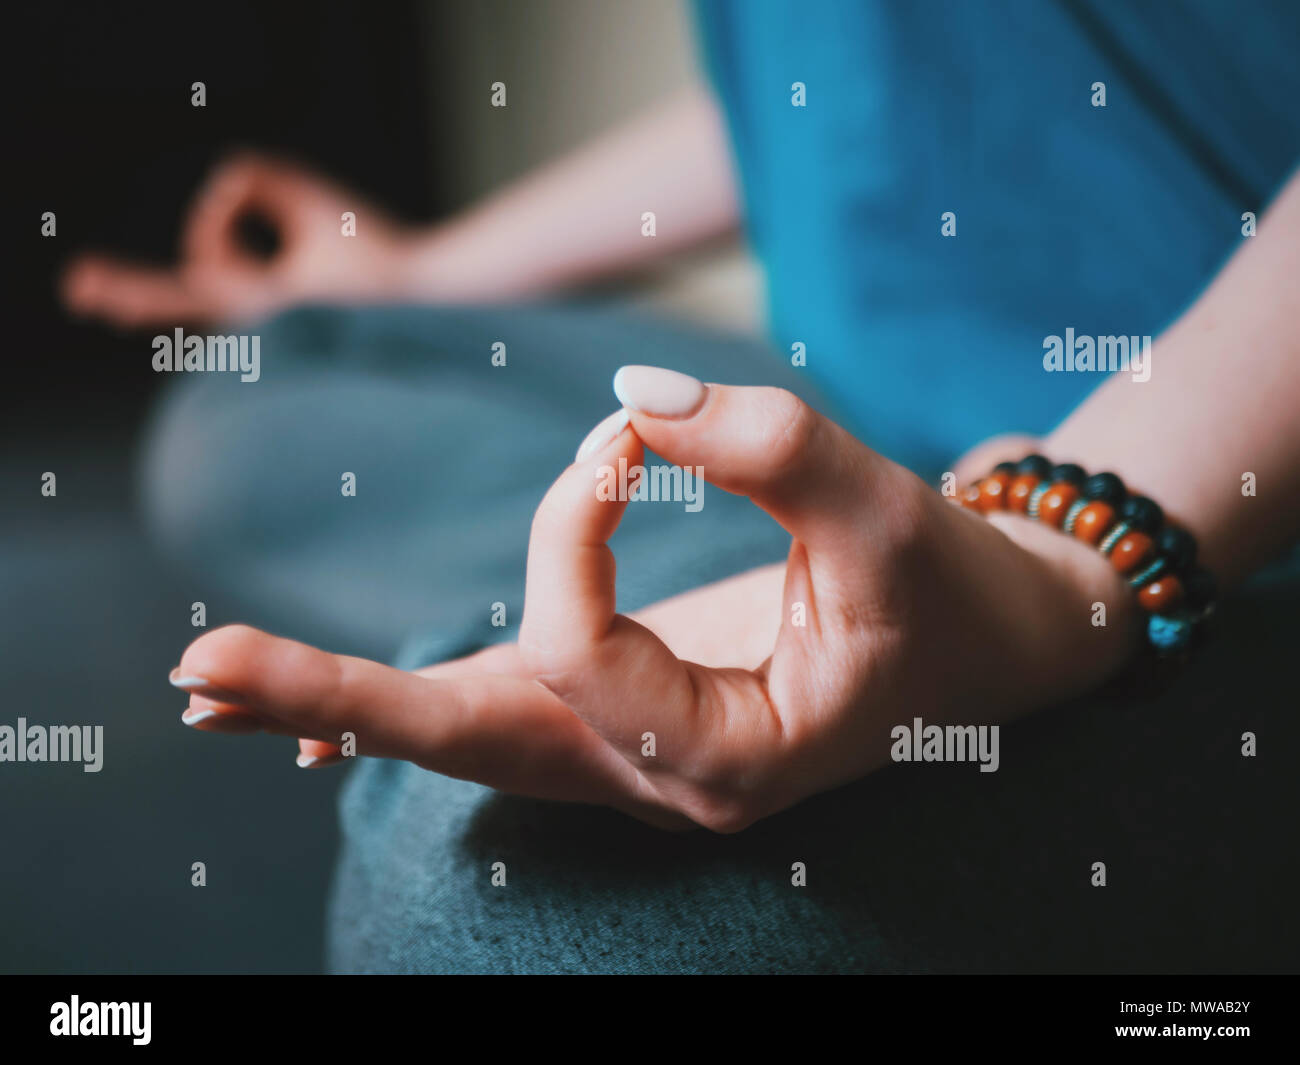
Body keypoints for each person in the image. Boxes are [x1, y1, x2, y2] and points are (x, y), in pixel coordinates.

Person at [68, 1, 1300, 971]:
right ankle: (723, 607)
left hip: (1218, 526)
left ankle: (732, 624)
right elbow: (855, 76)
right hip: (865, 419)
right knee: (265, 400)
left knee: (508, 927)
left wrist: (1058, 564)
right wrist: (426, 269)